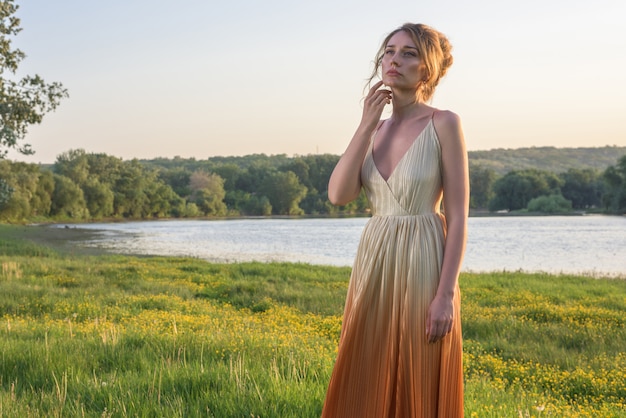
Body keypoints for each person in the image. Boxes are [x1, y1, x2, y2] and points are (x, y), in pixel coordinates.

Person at [321, 23, 468, 418]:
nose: (394, 60)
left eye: (408, 53)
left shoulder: (444, 123)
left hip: (424, 257)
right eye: (389, 51)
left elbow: (457, 216)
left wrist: (445, 295)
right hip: (374, 258)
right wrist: (367, 123)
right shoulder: (376, 129)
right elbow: (338, 194)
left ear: (428, 69)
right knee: (363, 367)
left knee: (418, 368)